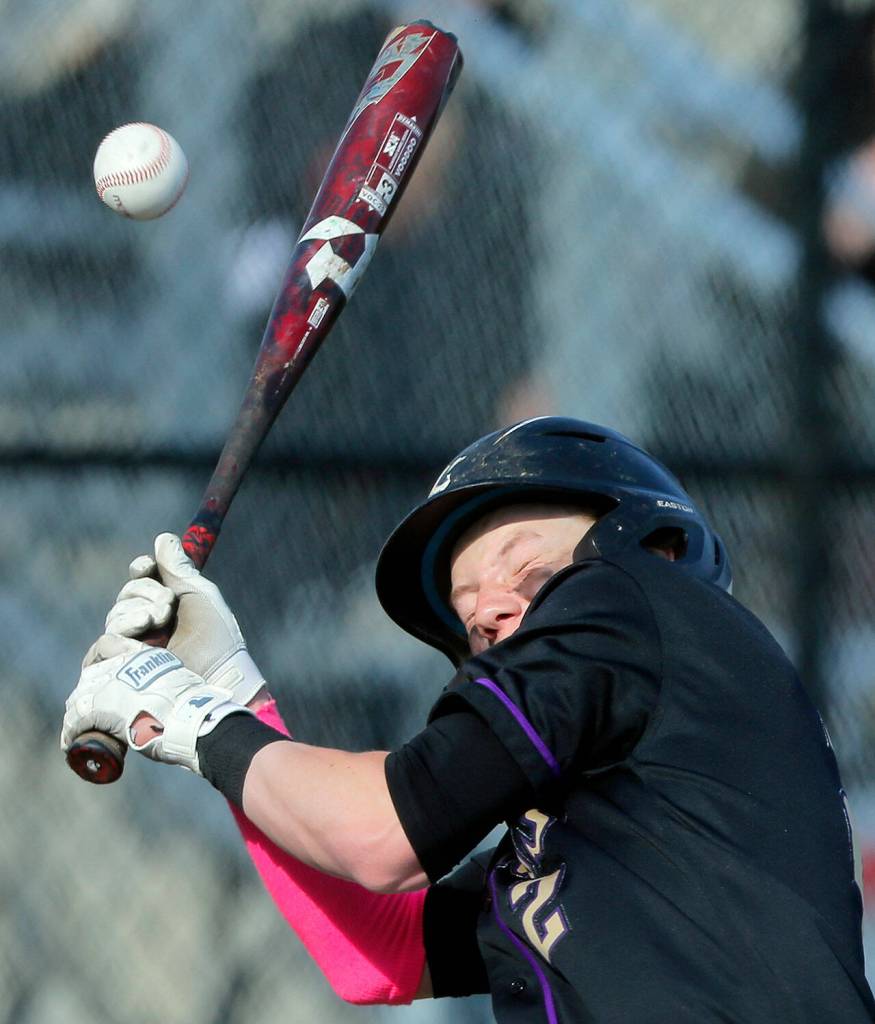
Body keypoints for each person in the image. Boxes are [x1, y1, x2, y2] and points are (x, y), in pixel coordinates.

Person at [61, 416, 875, 1022]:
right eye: (466, 607)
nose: (486, 608)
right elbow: (377, 950)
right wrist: (231, 694)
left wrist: (192, 720)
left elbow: (379, 836)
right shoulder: (614, 827)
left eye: (526, 565)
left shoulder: (631, 598)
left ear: (650, 549)